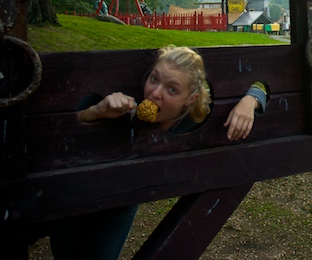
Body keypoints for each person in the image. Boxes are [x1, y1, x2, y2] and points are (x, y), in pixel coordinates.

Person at [50, 46, 268, 260]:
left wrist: (252, 99)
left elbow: (261, 84)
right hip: (74, 188)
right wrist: (97, 112)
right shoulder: (122, 102)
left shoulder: (196, 118)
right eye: (154, 79)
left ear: (190, 99)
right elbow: (60, 127)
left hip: (122, 200)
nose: (155, 94)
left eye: (172, 90)